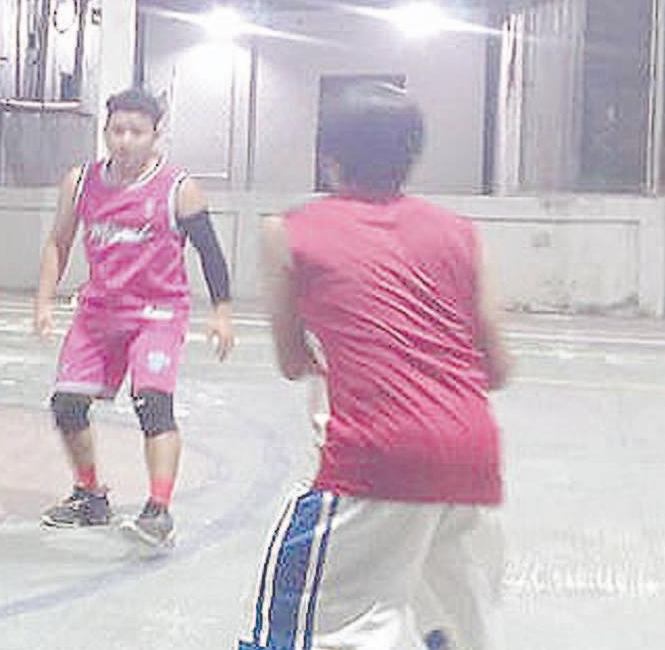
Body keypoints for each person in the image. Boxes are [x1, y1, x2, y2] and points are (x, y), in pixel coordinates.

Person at [241, 81, 509, 650]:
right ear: (411, 154)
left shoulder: (289, 232)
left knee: (310, 630)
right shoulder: (462, 233)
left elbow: (292, 361)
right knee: (456, 630)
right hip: (472, 458)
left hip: (374, 458)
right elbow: (499, 366)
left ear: (329, 155)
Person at [32, 88, 235, 549]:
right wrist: (43, 301)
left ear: (156, 135)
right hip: (98, 312)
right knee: (67, 405)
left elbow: (210, 252)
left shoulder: (178, 188)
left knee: (152, 402)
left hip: (157, 313)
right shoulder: (81, 182)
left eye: (136, 132)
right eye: (117, 131)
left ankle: (158, 510)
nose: (125, 141)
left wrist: (222, 313)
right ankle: (90, 495)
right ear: (105, 132)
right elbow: (59, 241)